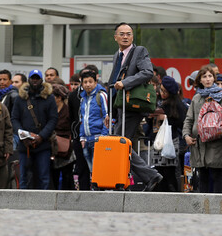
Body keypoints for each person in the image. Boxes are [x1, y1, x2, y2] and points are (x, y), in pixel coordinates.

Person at [105, 22, 163, 191]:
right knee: (122, 144)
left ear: (132, 37)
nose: (125, 36)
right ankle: (140, 178)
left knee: (118, 143)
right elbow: (112, 83)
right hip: (121, 104)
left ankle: (149, 176)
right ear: (115, 37)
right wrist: (110, 111)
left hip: (133, 104)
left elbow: (147, 72)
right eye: (122, 34)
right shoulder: (117, 55)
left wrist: (125, 82)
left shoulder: (139, 51)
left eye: (129, 34)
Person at [183, 64, 222, 193]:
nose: (208, 79)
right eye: (204, 76)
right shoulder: (196, 97)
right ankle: (204, 207)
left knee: (217, 175)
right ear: (200, 80)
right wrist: (187, 135)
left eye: (210, 76)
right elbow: (189, 119)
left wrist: (216, 129)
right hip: (198, 143)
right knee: (202, 176)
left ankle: (217, 205)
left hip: (216, 141)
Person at [11, 69, 58, 190]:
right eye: (33, 78)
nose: (35, 80)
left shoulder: (49, 98)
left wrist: (41, 136)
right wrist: (22, 135)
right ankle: (22, 205)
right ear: (29, 80)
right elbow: (14, 119)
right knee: (24, 178)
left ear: (42, 81)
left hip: (43, 144)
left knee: (44, 177)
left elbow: (53, 119)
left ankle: (45, 206)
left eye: (37, 78)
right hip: (24, 145)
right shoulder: (20, 98)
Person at [151, 76, 185, 192]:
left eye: (165, 91)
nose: (162, 93)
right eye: (161, 90)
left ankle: (173, 196)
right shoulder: (158, 103)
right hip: (158, 142)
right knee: (158, 172)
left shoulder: (178, 105)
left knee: (170, 173)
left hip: (170, 142)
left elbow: (181, 122)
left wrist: (165, 118)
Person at [79, 70, 108, 173]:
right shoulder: (83, 98)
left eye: (90, 82)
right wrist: (82, 137)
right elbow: (82, 119)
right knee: (92, 171)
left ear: (96, 83)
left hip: (98, 138)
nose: (88, 85)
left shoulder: (101, 96)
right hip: (86, 140)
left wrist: (103, 136)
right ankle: (95, 188)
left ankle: (99, 189)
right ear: (82, 84)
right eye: (85, 82)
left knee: (99, 170)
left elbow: (107, 117)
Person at [51, 83, 75, 190]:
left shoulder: (68, 110)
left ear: (59, 98)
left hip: (66, 147)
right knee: (53, 176)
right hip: (52, 146)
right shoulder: (49, 111)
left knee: (67, 175)